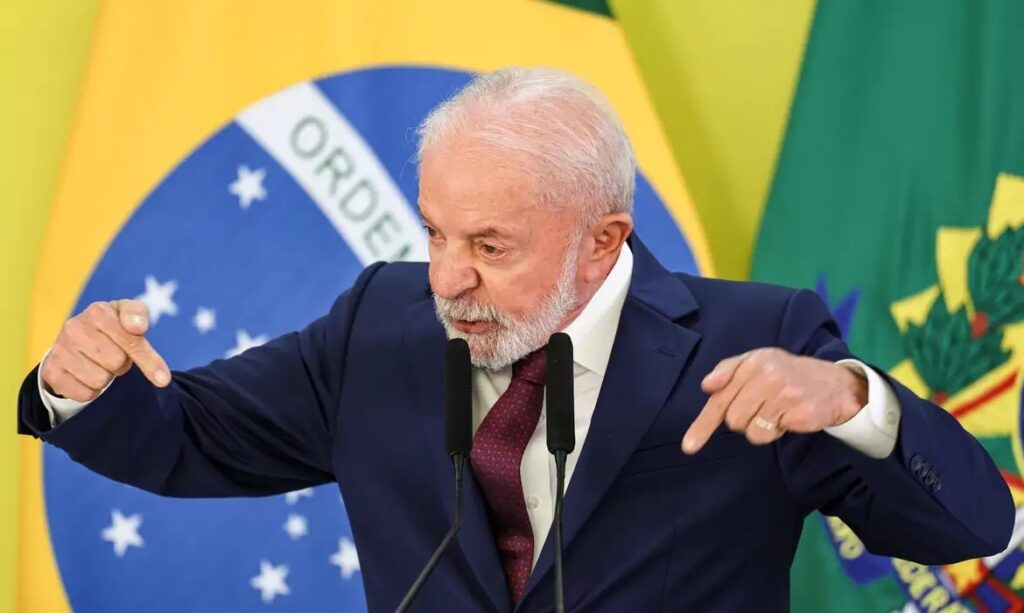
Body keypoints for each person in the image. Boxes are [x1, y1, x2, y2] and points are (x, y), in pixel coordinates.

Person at [17, 67, 1013, 612]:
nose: (447, 278)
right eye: (434, 233)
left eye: (489, 246)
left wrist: (855, 403)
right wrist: (81, 383)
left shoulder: (756, 341)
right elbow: (191, 435)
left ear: (602, 240)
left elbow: (970, 529)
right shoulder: (379, 325)